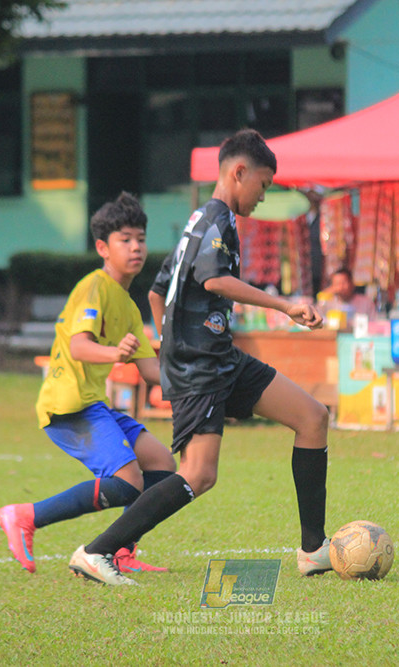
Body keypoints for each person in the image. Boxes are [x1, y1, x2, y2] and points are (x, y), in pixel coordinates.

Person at [68, 129, 332, 585]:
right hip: (203, 368)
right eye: (264, 185)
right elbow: (215, 282)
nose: (263, 197)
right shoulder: (217, 220)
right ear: (239, 172)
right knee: (199, 474)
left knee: (312, 417)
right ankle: (97, 551)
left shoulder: (199, 221)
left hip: (219, 358)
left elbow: (157, 290)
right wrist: (285, 305)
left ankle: (313, 550)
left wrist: (169, 344)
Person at [0, 192, 176, 575]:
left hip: (93, 404)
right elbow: (80, 346)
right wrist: (116, 354)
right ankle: (24, 515)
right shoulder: (94, 287)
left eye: (140, 238)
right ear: (103, 247)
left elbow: (151, 370)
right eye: (125, 240)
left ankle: (120, 551)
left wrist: (197, 384)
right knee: (127, 481)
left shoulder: (128, 304)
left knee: (162, 465)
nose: (136, 247)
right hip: (68, 404)